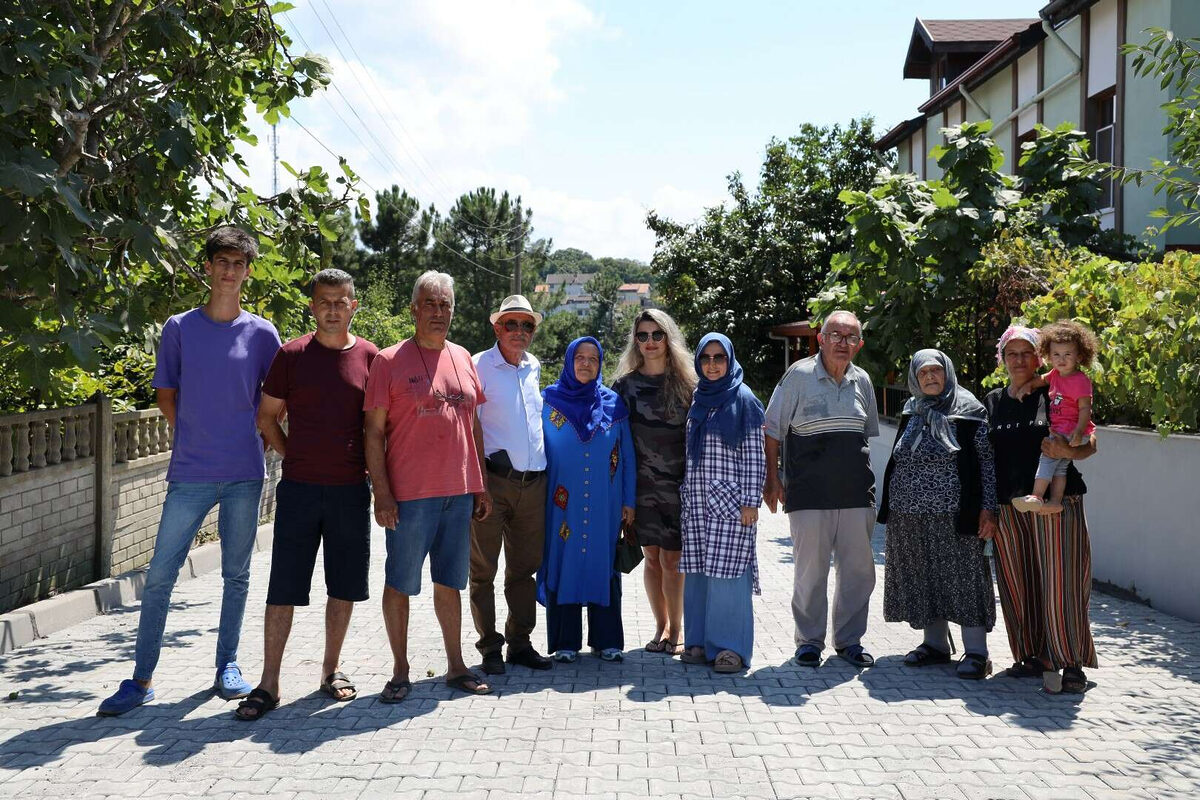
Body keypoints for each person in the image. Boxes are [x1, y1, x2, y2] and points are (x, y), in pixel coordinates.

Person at [99, 227, 281, 716]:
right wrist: (195, 437)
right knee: (160, 575)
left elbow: (275, 400)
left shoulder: (263, 334)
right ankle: (140, 680)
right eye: (221, 261)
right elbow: (165, 395)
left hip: (245, 473)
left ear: (247, 271)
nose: (229, 270)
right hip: (191, 473)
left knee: (237, 575)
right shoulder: (179, 327)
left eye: (239, 263)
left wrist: (260, 438)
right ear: (207, 267)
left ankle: (227, 666)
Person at [234, 269, 379, 721]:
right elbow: (267, 416)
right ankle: (269, 683)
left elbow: (379, 426)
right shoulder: (291, 355)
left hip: (351, 491)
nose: (333, 309)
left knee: (344, 586)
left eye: (341, 301)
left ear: (354, 306)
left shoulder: (373, 358)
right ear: (312, 307)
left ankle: (330, 671)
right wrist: (293, 454)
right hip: (298, 490)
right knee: (283, 588)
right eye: (324, 301)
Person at [363, 271, 493, 701]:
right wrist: (381, 492)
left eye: (445, 305)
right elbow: (373, 432)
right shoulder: (388, 360)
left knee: (450, 582)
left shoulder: (463, 358)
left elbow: (472, 424)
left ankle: (456, 666)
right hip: (408, 496)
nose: (438, 312)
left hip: (458, 493)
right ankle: (400, 670)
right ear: (414, 309)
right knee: (400, 582)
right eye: (430, 304)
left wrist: (481, 485)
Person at [985, 325, 1098, 694]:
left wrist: (1070, 451)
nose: (1019, 360)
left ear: (1040, 357)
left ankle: (1070, 664)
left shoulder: (1056, 389)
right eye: (1011, 353)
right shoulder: (992, 401)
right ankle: (1033, 656)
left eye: (1026, 353)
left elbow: (1089, 441)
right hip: (1009, 504)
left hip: (1057, 501)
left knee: (1060, 583)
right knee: (1020, 583)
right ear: (1002, 358)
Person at [763, 310, 879, 669]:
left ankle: (849, 641)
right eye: (836, 335)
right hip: (809, 493)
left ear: (858, 345)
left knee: (859, 571)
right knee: (810, 572)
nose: (843, 343)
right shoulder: (797, 375)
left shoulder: (863, 380)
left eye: (850, 338)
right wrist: (772, 479)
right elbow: (772, 429)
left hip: (857, 493)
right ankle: (809, 642)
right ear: (821, 339)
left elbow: (866, 435)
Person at [878, 349, 999, 680]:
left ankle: (977, 653)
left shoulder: (968, 410)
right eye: (923, 373)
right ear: (915, 379)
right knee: (923, 575)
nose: (930, 377)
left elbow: (986, 464)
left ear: (948, 372)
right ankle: (935, 646)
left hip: (955, 513)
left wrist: (988, 508)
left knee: (966, 577)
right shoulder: (912, 409)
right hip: (908, 513)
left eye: (936, 371)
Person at [537, 337, 636, 663]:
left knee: (602, 561)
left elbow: (628, 458)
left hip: (605, 505)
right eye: (579, 357)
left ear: (600, 363)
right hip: (560, 503)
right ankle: (565, 642)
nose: (585, 363)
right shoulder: (547, 402)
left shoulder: (613, 405)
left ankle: (606, 640)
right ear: (569, 360)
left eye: (593, 358)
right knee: (564, 560)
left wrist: (628, 501)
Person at [469, 295, 553, 675]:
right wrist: (479, 485)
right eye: (511, 324)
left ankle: (520, 643)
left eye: (527, 325)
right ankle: (489, 648)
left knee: (524, 570)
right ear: (496, 327)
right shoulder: (478, 366)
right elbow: (470, 429)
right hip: (493, 482)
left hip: (533, 485)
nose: (519, 331)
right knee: (483, 570)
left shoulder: (533, 366)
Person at [678, 334, 766, 673]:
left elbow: (755, 457)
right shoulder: (698, 399)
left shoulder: (744, 400)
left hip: (732, 505)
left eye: (719, 358)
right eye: (706, 358)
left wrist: (750, 501)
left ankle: (731, 648)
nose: (713, 365)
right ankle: (698, 642)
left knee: (729, 576)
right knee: (699, 573)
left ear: (729, 360)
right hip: (698, 502)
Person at [611, 309, 695, 655]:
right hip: (640, 488)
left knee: (673, 561)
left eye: (656, 335)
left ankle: (677, 630)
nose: (649, 342)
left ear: (668, 338)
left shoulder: (689, 384)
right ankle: (659, 626)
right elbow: (613, 441)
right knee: (651, 558)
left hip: (679, 487)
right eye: (642, 336)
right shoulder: (624, 386)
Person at [1013, 320, 1098, 514]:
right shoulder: (1056, 374)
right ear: (1049, 356)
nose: (1061, 359)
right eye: (1056, 354)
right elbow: (1042, 379)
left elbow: (1085, 409)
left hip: (1070, 431)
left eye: (1068, 354)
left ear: (1080, 356)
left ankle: (1036, 496)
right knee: (1060, 468)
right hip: (1064, 430)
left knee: (1048, 457)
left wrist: (1078, 432)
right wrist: (1029, 386)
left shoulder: (1080, 381)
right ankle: (1055, 501)